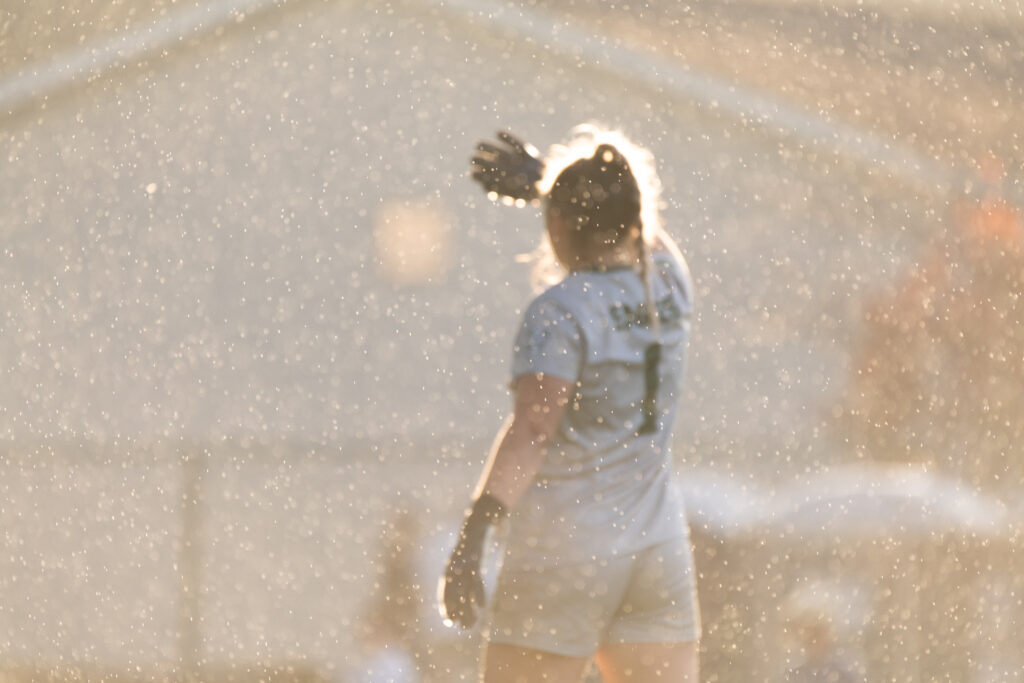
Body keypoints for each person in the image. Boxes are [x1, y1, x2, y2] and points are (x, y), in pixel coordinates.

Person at [439, 124, 701, 683]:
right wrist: (549, 184)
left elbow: (534, 427)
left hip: (567, 549)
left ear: (558, 223)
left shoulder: (561, 311)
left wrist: (475, 531)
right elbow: (650, 235)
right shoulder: (668, 284)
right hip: (657, 548)